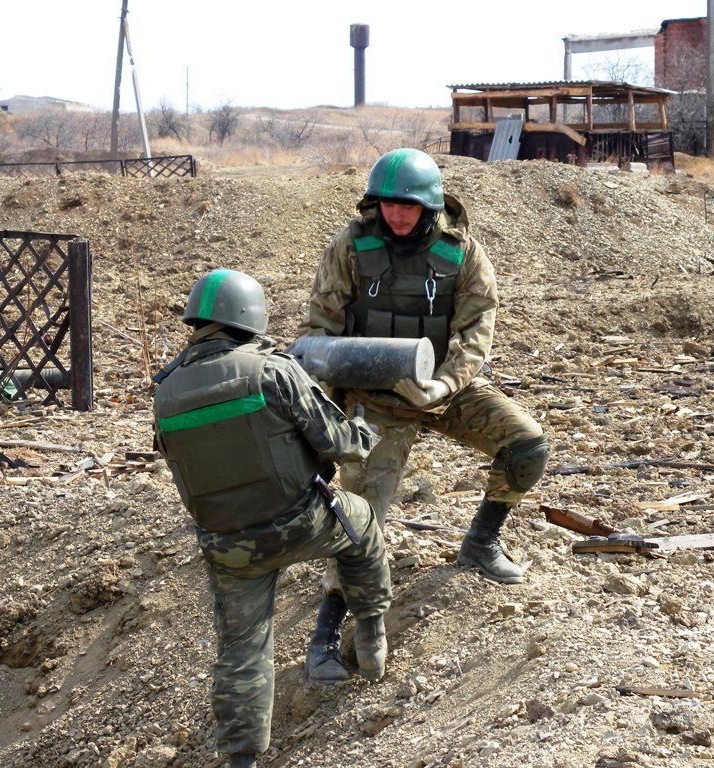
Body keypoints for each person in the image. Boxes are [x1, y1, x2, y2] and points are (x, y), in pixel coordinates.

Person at [299, 148, 549, 681]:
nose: (396, 215)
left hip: (443, 386)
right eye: (387, 205)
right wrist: (323, 410)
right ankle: (326, 633)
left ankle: (481, 543)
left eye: (407, 206)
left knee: (527, 444)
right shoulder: (351, 245)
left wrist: (443, 384)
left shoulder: (462, 253)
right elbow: (320, 328)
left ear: (430, 205)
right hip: (375, 400)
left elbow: (476, 331)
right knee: (360, 517)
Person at [152, 268, 392, 768]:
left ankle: (242, 760)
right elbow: (340, 445)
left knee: (242, 649)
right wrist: (365, 427)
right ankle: (371, 635)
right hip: (299, 521)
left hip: (228, 546)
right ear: (250, 317)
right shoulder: (272, 370)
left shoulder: (165, 390)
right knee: (363, 523)